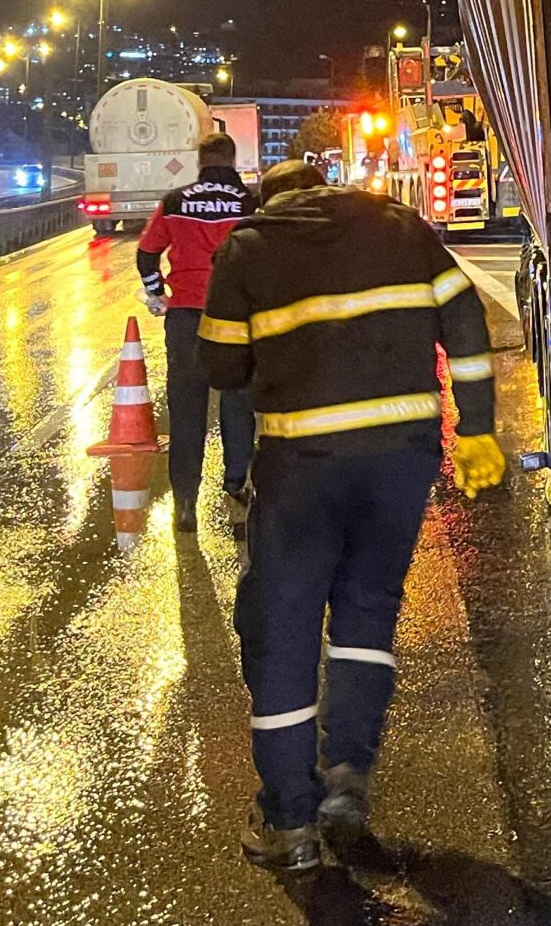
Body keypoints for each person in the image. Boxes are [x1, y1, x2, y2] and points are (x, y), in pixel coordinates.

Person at [198, 158, 507, 870]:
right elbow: (464, 317)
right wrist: (477, 427)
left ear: (271, 201)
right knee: (368, 611)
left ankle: (289, 821)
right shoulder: (400, 228)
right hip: (399, 457)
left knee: (283, 629)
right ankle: (346, 780)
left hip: (301, 467)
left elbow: (218, 366)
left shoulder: (249, 247)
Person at [136, 131, 255, 531]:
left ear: (200, 161)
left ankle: (185, 502)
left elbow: (146, 252)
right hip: (237, 317)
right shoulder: (249, 202)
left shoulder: (175, 201)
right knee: (238, 402)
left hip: (186, 317)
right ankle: (237, 484)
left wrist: (157, 293)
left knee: (187, 410)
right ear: (232, 160)